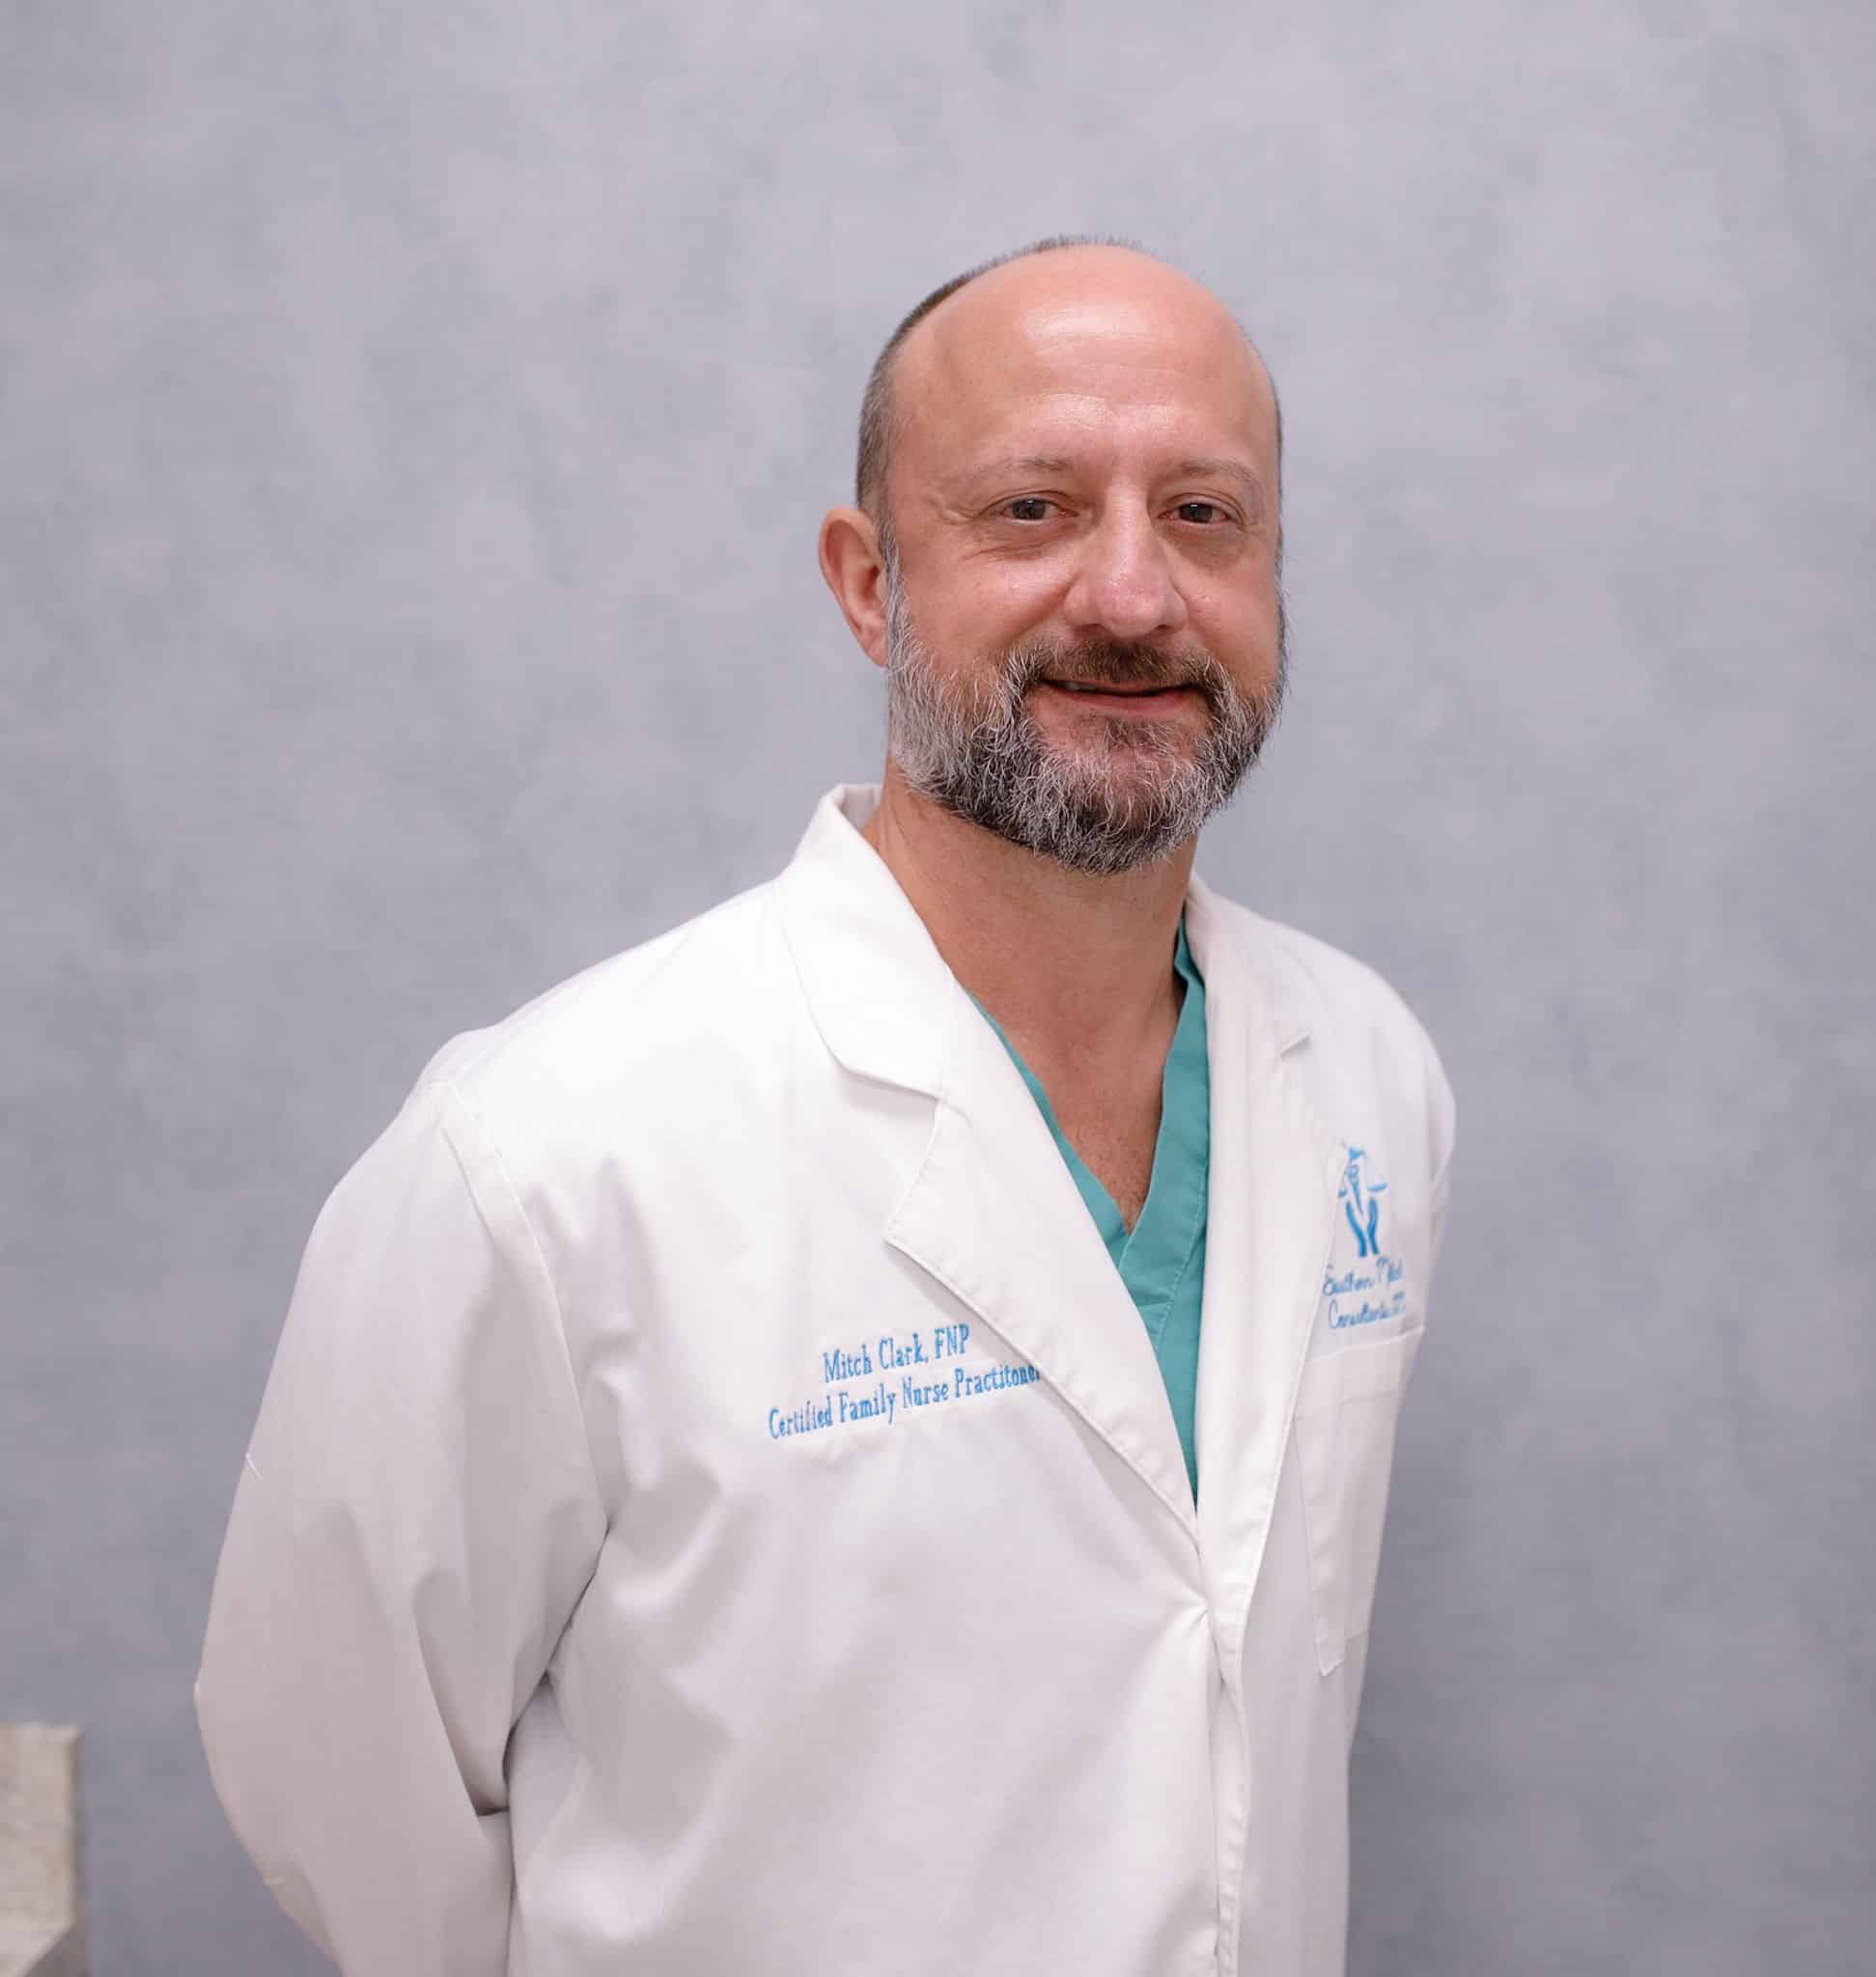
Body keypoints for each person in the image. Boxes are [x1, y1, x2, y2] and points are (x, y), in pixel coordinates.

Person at [196, 237, 1455, 1977]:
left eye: (1202, 514)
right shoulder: (547, 1159)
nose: (1130, 594)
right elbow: (333, 1776)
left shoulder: (1368, 1074)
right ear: (869, 586)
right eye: (1029, 509)